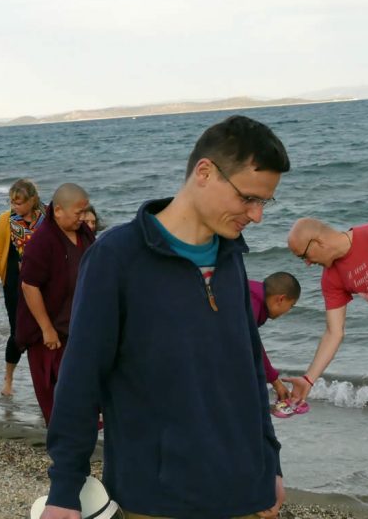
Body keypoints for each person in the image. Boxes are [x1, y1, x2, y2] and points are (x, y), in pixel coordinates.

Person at [39, 115, 288, 519]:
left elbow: (248, 372)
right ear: (204, 172)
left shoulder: (231, 258)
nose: (256, 215)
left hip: (246, 491)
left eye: (265, 202)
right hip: (157, 499)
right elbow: (81, 379)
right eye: (248, 198)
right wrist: (65, 491)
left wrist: (270, 464)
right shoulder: (116, 258)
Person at [285, 217, 368, 457]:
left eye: (304, 256)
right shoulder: (332, 277)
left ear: (317, 242)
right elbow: (334, 332)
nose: (307, 263)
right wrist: (309, 379)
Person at [16, 184, 94, 424]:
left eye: (85, 213)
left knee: (84, 395)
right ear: (58, 210)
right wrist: (46, 328)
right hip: (49, 336)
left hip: (78, 330)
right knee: (57, 401)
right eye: (78, 213)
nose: (82, 219)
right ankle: (64, 449)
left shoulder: (84, 235)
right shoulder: (43, 241)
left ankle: (81, 438)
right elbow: (29, 286)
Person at [0, 179, 45, 397]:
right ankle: (8, 379)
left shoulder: (46, 216)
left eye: (19, 203)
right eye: (12, 202)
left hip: (42, 281)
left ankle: (43, 380)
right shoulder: (6, 219)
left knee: (43, 330)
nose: (15, 207)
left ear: (32, 200)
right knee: (18, 332)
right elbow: (0, 250)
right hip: (14, 281)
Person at [249, 272, 300, 410]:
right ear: (281, 299)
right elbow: (251, 343)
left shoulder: (251, 293)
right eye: (291, 305)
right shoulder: (252, 302)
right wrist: (274, 381)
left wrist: (275, 381)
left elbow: (253, 342)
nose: (287, 311)